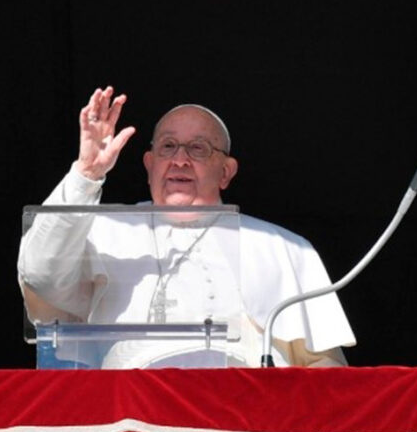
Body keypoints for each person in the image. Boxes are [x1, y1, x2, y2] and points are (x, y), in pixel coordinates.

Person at [18, 86, 355, 368]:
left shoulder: (282, 248)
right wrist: (86, 174)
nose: (180, 159)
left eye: (198, 148)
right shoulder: (103, 229)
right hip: (132, 415)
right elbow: (40, 275)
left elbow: (322, 370)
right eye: (167, 146)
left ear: (226, 172)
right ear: (150, 166)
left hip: (247, 415)